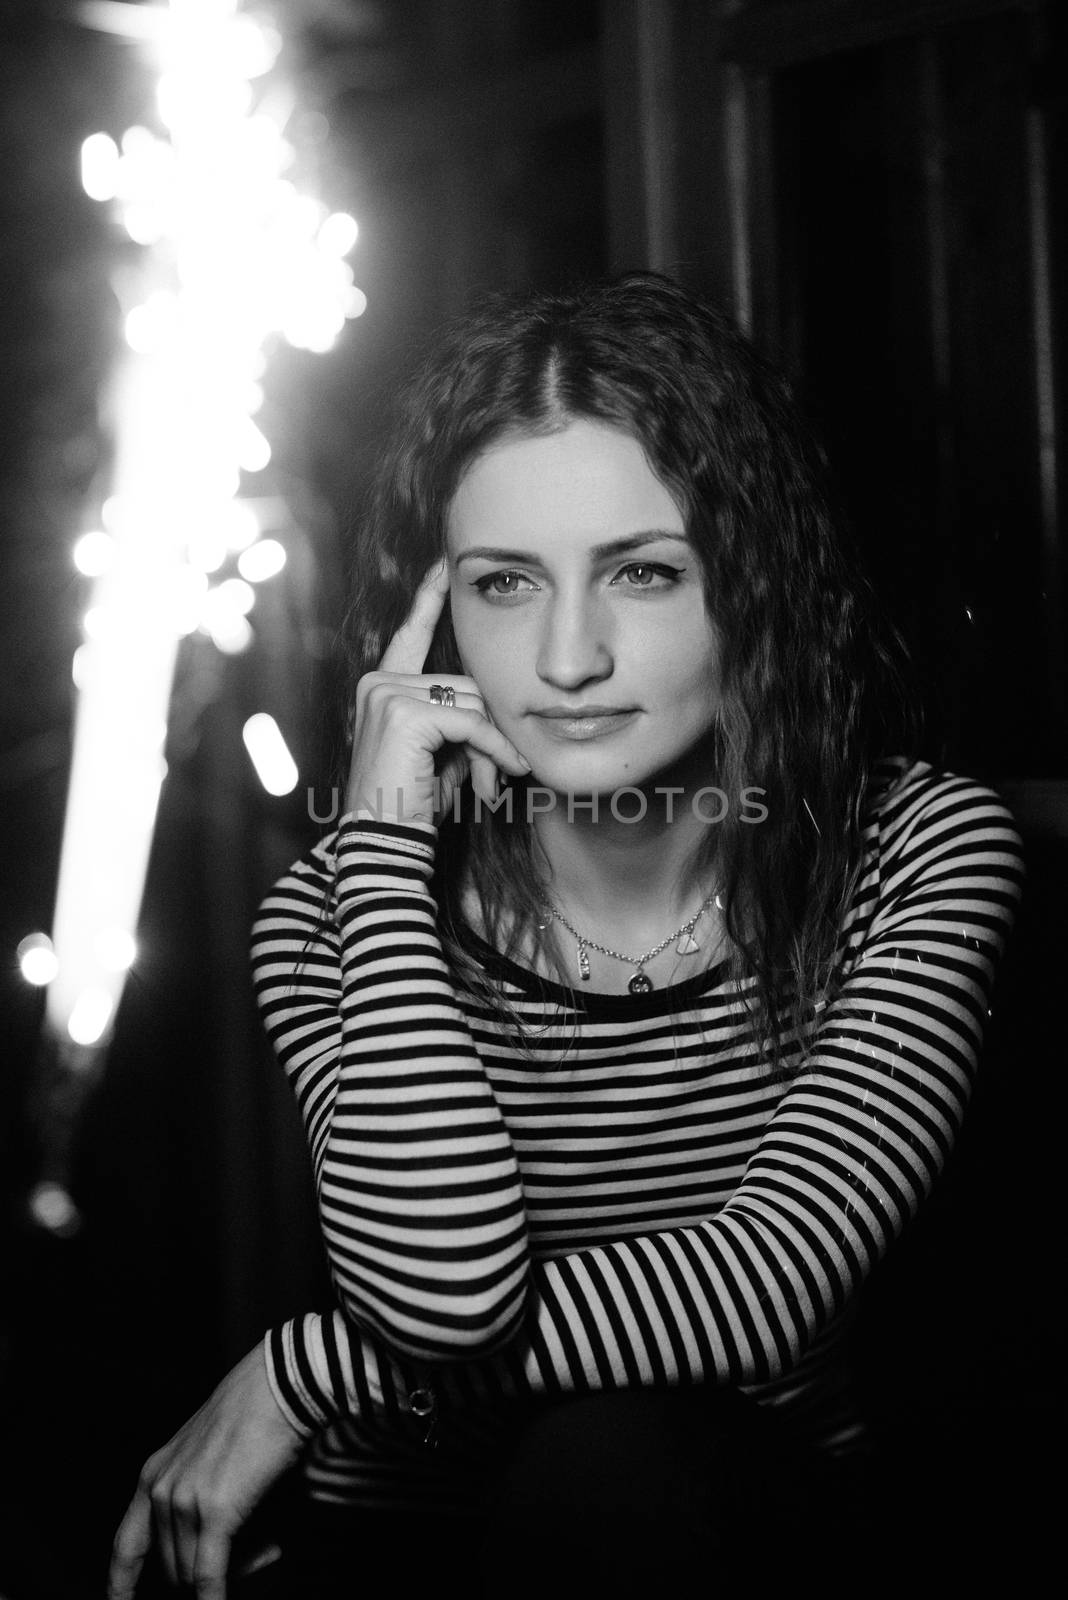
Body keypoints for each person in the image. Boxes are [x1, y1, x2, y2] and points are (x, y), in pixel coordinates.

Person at [108, 272, 1023, 1599]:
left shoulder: (913, 852)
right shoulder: (330, 916)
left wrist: (307, 1370)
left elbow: (771, 1284)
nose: (570, 655)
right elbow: (444, 1298)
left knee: (613, 1464)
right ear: (433, 628)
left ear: (756, 584)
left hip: (727, 1531)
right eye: (505, 583)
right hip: (411, 1536)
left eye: (645, 572)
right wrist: (378, 856)